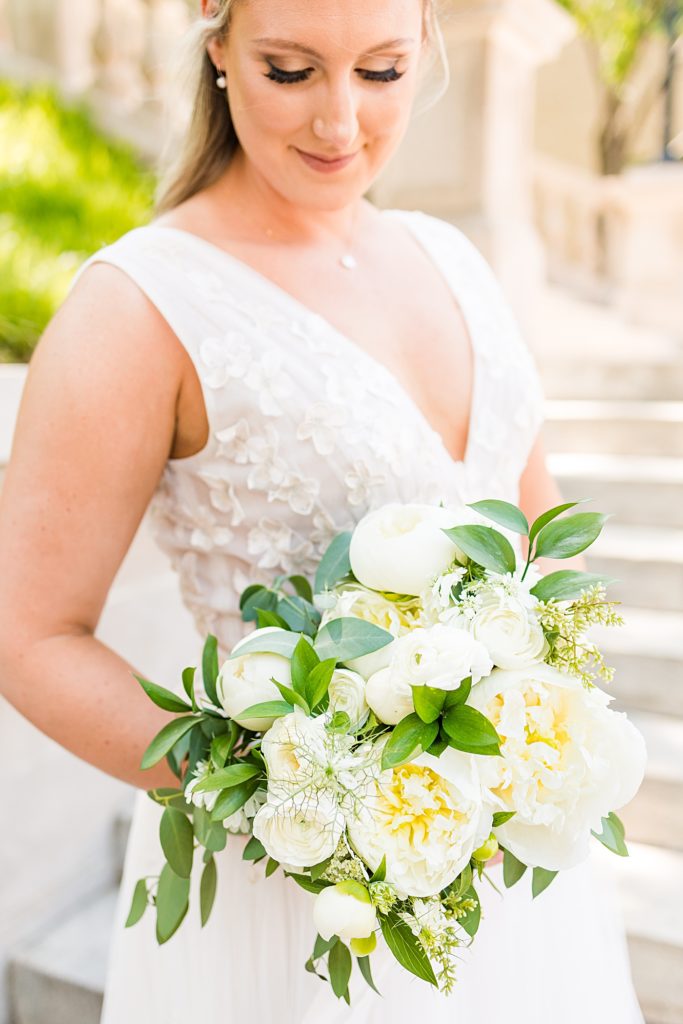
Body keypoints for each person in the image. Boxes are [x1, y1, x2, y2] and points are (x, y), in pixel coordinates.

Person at [0, 0, 644, 1020]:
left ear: (424, 45)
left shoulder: (454, 261)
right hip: (294, 897)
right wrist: (291, 791)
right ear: (215, 44)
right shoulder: (139, 305)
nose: (339, 124)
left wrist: (541, 731)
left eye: (380, 72)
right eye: (289, 70)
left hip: (501, 870)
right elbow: (27, 631)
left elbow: (534, 534)